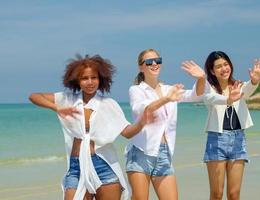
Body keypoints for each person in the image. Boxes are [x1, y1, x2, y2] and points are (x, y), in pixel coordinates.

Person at [29, 54, 154, 200]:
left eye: (94, 77)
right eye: (84, 78)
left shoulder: (109, 104)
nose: (90, 82)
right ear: (77, 80)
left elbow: (127, 132)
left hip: (104, 166)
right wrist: (56, 108)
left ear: (100, 79)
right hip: (77, 167)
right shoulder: (68, 99)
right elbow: (34, 96)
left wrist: (142, 122)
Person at [126, 48, 205, 200]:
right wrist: (166, 99)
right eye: (149, 61)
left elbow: (196, 96)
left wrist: (201, 78)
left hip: (164, 153)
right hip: (141, 152)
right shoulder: (136, 90)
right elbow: (143, 109)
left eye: (158, 60)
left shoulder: (169, 89)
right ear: (141, 67)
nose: (154, 63)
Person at [202, 51, 260, 200]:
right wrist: (229, 99)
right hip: (217, 140)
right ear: (212, 71)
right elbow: (211, 99)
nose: (224, 68)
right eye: (218, 66)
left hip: (238, 139)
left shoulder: (238, 86)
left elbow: (247, 91)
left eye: (226, 64)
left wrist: (255, 81)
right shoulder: (208, 88)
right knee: (217, 194)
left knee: (234, 194)